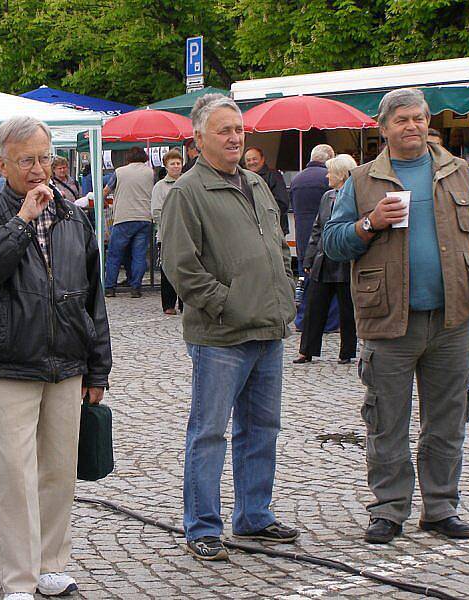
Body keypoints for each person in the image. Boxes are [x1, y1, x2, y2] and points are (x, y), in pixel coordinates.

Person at [323, 88, 469, 544]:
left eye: (419, 118)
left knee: (448, 420)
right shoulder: (362, 181)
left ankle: (441, 507)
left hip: (451, 322)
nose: (413, 126)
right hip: (388, 322)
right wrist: (370, 223)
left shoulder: (460, 173)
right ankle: (388, 509)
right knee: (386, 422)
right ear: (383, 128)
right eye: (402, 120)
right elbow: (333, 243)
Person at [0, 116, 112, 600]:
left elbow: (93, 295)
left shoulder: (72, 214)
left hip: (66, 358)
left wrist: (97, 365)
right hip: (12, 360)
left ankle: (51, 564)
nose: (39, 168)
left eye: (45, 157)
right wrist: (21, 220)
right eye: (27, 160)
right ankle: (18, 579)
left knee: (59, 469)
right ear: (1, 163)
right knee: (16, 474)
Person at [161, 94, 299, 562]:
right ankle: (202, 525)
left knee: (262, 427)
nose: (235, 137)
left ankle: (253, 515)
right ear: (199, 139)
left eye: (238, 129)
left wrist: (283, 290)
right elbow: (180, 266)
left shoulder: (257, 185)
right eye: (224, 130)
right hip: (221, 336)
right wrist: (228, 305)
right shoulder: (187, 192)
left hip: (269, 330)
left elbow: (277, 245)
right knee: (209, 432)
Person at [294, 154, 358, 365]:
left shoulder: (356, 196)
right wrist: (309, 260)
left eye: (330, 171)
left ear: (341, 174)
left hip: (346, 260)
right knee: (314, 306)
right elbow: (317, 229)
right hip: (324, 259)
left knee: (347, 309)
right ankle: (307, 350)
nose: (327, 175)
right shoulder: (327, 196)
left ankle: (346, 351)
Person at [103, 147, 153, 298]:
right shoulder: (150, 172)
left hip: (123, 217)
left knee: (114, 254)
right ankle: (135, 288)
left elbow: (105, 191)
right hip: (144, 217)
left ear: (128, 157)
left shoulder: (119, 172)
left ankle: (110, 287)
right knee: (139, 255)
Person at [289, 144, 335, 276]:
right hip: (323, 241)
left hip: (301, 238)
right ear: (330, 158)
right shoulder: (329, 178)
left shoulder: (296, 179)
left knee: (305, 284)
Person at [150, 149, 183, 315]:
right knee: (168, 270)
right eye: (173, 163)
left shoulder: (187, 182)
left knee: (187, 268)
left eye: (178, 163)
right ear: (166, 166)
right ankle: (169, 304)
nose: (176, 166)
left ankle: (185, 304)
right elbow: (156, 211)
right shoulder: (160, 187)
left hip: (187, 235)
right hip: (167, 235)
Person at [243, 146, 290, 234]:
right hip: (250, 229)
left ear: (262, 159)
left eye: (254, 159)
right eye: (248, 160)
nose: (251, 162)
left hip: (274, 229)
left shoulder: (274, 176)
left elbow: (282, 203)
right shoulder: (242, 178)